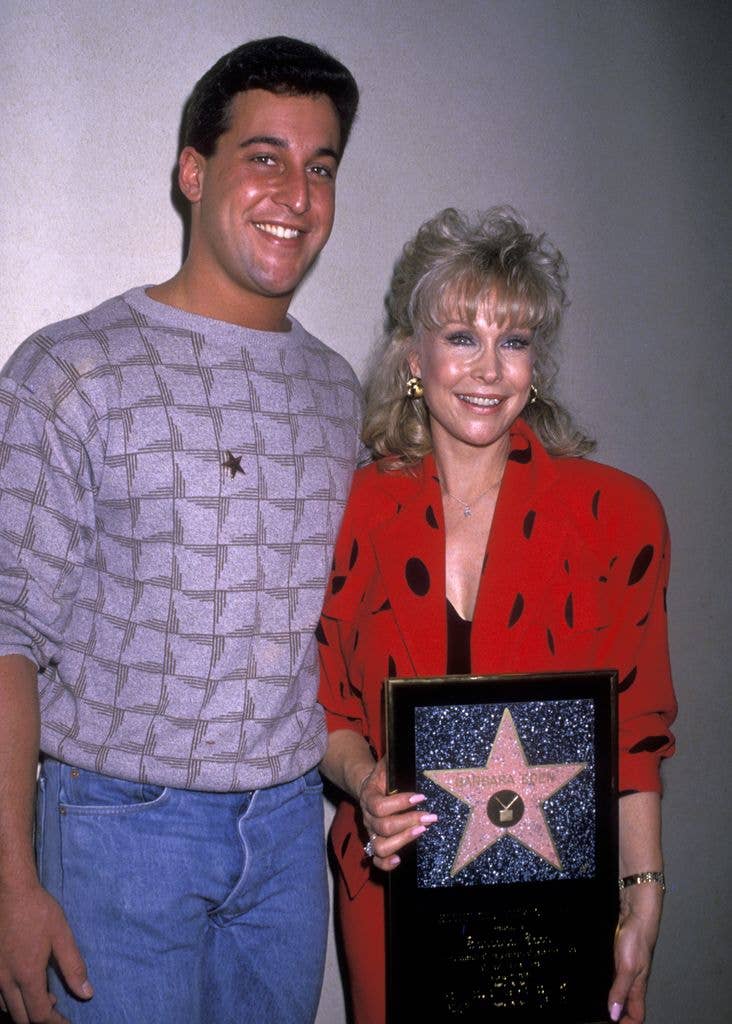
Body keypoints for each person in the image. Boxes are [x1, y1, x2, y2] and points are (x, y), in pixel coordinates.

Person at [0, 36, 362, 1024]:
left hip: (290, 836)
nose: (295, 191)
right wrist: (9, 883)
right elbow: (5, 633)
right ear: (193, 171)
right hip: (120, 833)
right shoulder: (70, 369)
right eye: (265, 156)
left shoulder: (342, 393)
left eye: (320, 165)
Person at [318, 207, 677, 1024]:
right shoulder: (354, 508)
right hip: (392, 892)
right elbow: (329, 707)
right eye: (461, 336)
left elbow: (635, 735)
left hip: (555, 910)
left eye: (513, 341)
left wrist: (643, 894)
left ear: (536, 365)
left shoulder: (617, 516)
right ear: (414, 356)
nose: (488, 368)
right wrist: (362, 780)